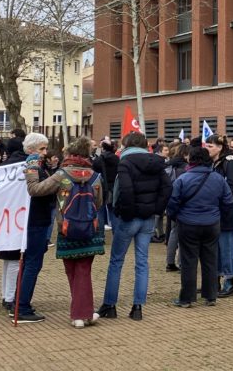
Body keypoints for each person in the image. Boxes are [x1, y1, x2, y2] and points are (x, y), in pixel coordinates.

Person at [29, 136, 104, 328]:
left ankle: (80, 314)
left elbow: (36, 190)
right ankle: (84, 313)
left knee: (72, 270)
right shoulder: (95, 176)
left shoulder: (62, 175)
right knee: (84, 270)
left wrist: (31, 170)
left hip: (67, 228)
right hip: (89, 228)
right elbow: (99, 203)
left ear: (70, 153)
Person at [101, 132, 171, 322]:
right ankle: (137, 307)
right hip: (147, 217)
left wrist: (128, 212)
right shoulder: (157, 163)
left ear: (126, 145)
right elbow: (167, 188)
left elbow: (126, 189)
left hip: (128, 218)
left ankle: (110, 305)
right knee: (142, 262)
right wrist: (156, 209)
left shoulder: (125, 162)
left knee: (116, 262)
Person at [167, 144, 233, 308]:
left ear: (191, 160)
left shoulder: (183, 178)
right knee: (210, 260)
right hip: (212, 224)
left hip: (188, 223)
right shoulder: (218, 178)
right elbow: (228, 201)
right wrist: (218, 214)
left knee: (189, 261)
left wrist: (176, 216)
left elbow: (172, 202)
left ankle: (187, 298)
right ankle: (211, 296)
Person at [13, 132, 59, 323]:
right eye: (42, 149)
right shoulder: (30, 167)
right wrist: (56, 179)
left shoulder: (37, 166)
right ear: (31, 149)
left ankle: (19, 302)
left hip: (36, 219)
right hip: (34, 220)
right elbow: (34, 189)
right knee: (32, 263)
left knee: (30, 264)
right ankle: (22, 306)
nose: (45, 153)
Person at [208, 134, 233, 296]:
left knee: (227, 248)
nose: (207, 149)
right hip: (215, 213)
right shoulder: (213, 163)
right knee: (215, 248)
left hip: (227, 213)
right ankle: (215, 282)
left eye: (210, 146)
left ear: (219, 147)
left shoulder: (229, 163)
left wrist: (217, 197)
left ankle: (230, 283)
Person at [0, 134, 28, 312]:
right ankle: (10, 297)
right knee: (15, 261)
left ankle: (5, 295)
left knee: (8, 261)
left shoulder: (3, 166)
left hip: (5, 218)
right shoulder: (24, 166)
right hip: (18, 218)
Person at [164, 140, 188, 272]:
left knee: (174, 232)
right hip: (183, 204)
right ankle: (181, 263)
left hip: (170, 202)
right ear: (185, 154)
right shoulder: (185, 168)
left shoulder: (169, 165)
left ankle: (170, 262)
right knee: (183, 233)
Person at [93, 137, 120, 235]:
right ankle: (116, 233)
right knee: (113, 211)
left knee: (100, 211)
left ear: (103, 148)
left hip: (101, 188)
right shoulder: (117, 159)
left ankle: (100, 235)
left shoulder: (98, 160)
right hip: (113, 187)